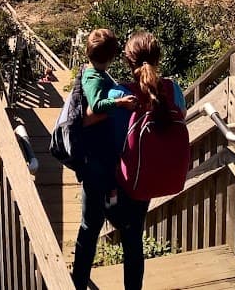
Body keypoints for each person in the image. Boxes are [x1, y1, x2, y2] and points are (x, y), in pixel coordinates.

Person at [107, 31, 186, 290]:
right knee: (134, 233)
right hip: (155, 171)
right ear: (159, 58)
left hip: (128, 179)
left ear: (127, 61)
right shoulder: (172, 89)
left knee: (131, 240)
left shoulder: (119, 94)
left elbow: (111, 141)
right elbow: (180, 118)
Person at [70, 28, 138, 290]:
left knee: (94, 221)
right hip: (95, 162)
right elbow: (96, 107)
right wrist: (120, 103)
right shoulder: (93, 78)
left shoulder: (95, 73)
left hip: (100, 161)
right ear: (111, 58)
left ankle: (79, 277)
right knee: (91, 223)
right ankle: (78, 278)